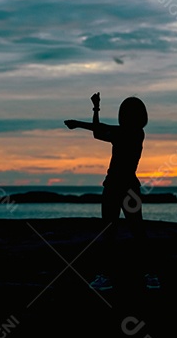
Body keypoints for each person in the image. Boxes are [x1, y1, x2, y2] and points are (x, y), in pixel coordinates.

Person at [64, 92, 157, 291]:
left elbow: (99, 131)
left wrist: (87, 116)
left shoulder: (131, 133)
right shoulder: (135, 133)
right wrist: (94, 111)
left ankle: (129, 276)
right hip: (126, 187)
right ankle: (145, 275)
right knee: (131, 232)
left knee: (119, 232)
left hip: (117, 187)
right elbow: (99, 132)